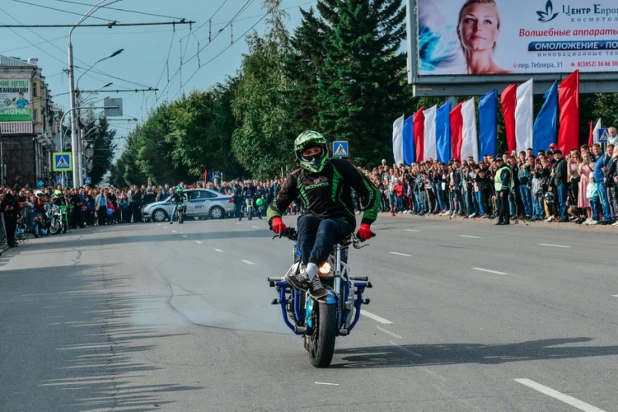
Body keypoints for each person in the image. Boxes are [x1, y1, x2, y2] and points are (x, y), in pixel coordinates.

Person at [267, 131, 380, 298]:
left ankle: (307, 275)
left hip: (340, 221)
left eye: (316, 150)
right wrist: (275, 219)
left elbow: (371, 192)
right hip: (312, 223)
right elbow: (276, 204)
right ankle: (311, 279)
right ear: (300, 156)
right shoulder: (296, 176)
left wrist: (366, 223)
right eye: (307, 153)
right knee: (305, 220)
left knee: (326, 224)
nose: (313, 156)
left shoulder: (342, 167)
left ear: (324, 149)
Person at [457, 0, 512, 75]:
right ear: (458, 30)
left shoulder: (508, 78)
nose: (478, 27)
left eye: (487, 21)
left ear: (497, 33)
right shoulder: (447, 77)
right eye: (470, 20)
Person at [493, 157, 512, 225]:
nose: (498, 163)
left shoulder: (505, 169)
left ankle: (506, 219)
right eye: (497, 162)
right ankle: (500, 219)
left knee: (504, 205)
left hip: (503, 189)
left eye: (499, 161)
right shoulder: (499, 169)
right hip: (498, 189)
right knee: (500, 205)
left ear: (502, 161)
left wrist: (503, 191)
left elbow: (505, 181)